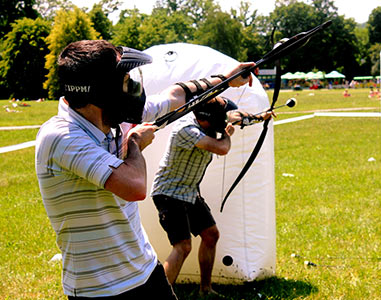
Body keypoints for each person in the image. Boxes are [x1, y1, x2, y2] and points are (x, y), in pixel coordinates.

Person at [35, 40, 255, 299]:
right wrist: (135, 144)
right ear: (101, 91)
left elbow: (174, 96)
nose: (132, 87)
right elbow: (134, 186)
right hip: (99, 289)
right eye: (125, 79)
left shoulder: (113, 118)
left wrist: (226, 79)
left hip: (146, 272)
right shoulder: (62, 136)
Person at [151, 94, 273, 298]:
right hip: (169, 193)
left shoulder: (205, 119)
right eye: (219, 120)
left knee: (211, 235)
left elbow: (235, 115)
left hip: (188, 191)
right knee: (183, 246)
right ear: (207, 119)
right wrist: (227, 134)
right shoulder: (186, 129)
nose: (223, 122)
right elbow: (221, 148)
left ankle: (205, 290)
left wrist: (260, 117)